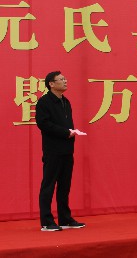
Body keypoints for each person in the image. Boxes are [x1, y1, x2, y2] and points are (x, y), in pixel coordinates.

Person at [36, 71, 85, 231]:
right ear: (51, 84)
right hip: (53, 150)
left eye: (65, 78)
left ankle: (65, 218)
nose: (65, 81)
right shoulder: (44, 102)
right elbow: (43, 124)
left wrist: (72, 132)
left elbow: (67, 123)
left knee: (65, 186)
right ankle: (46, 222)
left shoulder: (65, 101)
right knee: (48, 185)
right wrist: (65, 132)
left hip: (67, 150)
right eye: (61, 79)